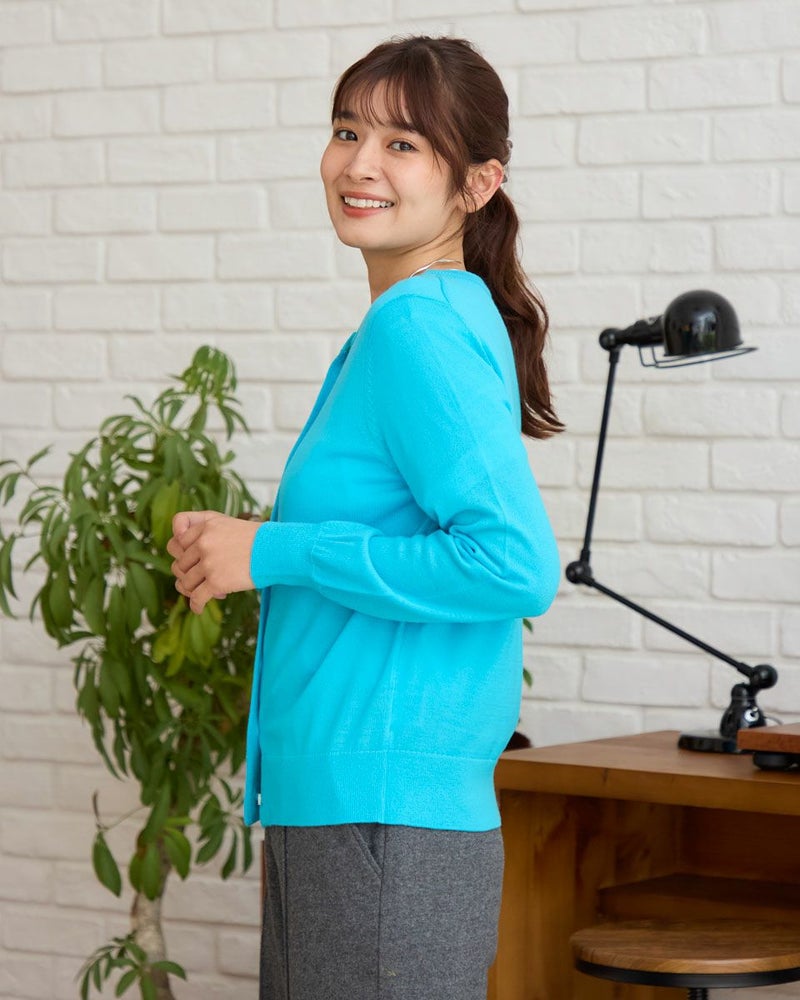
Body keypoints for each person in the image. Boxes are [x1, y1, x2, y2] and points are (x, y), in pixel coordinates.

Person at [168, 35, 562, 1000]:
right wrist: (254, 551)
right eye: (348, 132)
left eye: (403, 144)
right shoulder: (405, 325)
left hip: (382, 822)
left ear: (477, 184)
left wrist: (275, 550)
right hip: (356, 813)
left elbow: (512, 565)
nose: (360, 164)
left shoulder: (419, 327)